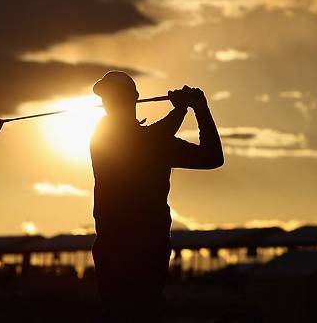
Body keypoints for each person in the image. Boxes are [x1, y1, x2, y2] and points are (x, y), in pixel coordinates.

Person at [90, 71, 224, 322]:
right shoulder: (103, 134)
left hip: (147, 249)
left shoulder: (158, 142)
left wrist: (200, 110)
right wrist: (185, 108)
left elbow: (213, 157)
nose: (108, 103)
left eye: (114, 96)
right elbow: (144, 144)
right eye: (106, 98)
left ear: (134, 98)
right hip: (115, 249)